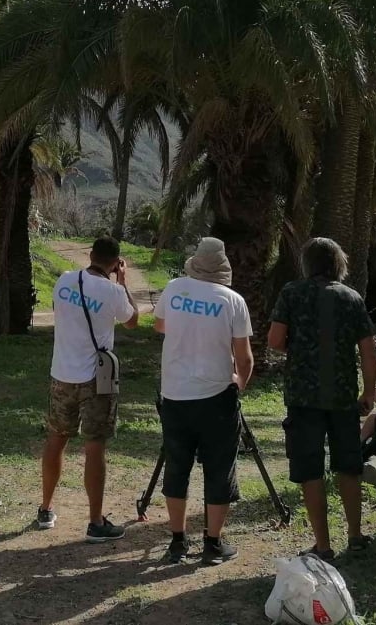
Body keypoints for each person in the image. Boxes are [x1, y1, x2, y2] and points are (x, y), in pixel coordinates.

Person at [269, 237, 376, 562]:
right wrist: (369, 391)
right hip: (343, 395)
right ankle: (356, 535)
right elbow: (368, 351)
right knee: (348, 465)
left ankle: (323, 544)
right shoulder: (352, 298)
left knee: (310, 468)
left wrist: (301, 348)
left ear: (307, 263)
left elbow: (275, 340)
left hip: (303, 397)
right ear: (338, 265)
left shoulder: (292, 292)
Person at [152, 237, 254, 565]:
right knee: (220, 468)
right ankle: (212, 543)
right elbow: (245, 358)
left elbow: (159, 325)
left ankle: (177, 542)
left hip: (175, 394)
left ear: (195, 263)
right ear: (223, 268)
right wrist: (239, 382)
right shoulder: (233, 300)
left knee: (177, 466)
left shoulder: (173, 289)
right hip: (216, 397)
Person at [39, 236, 140, 542]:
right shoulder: (112, 291)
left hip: (61, 373)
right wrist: (123, 283)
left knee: (56, 437)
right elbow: (132, 321)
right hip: (97, 379)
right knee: (94, 445)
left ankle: (45, 509)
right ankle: (95, 521)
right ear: (115, 263)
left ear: (90, 254)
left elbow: (58, 309)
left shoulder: (65, 280)